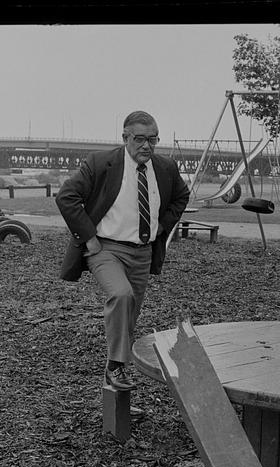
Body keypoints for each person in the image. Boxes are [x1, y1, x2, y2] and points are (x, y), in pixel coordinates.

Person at [55, 111, 190, 390]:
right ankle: (116, 366)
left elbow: (181, 196)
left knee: (130, 316)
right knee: (121, 295)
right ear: (125, 138)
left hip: (142, 252)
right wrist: (88, 237)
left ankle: (116, 391)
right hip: (106, 249)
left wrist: (162, 227)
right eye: (139, 139)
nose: (147, 146)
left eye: (153, 139)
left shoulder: (165, 168)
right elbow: (66, 197)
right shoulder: (101, 163)